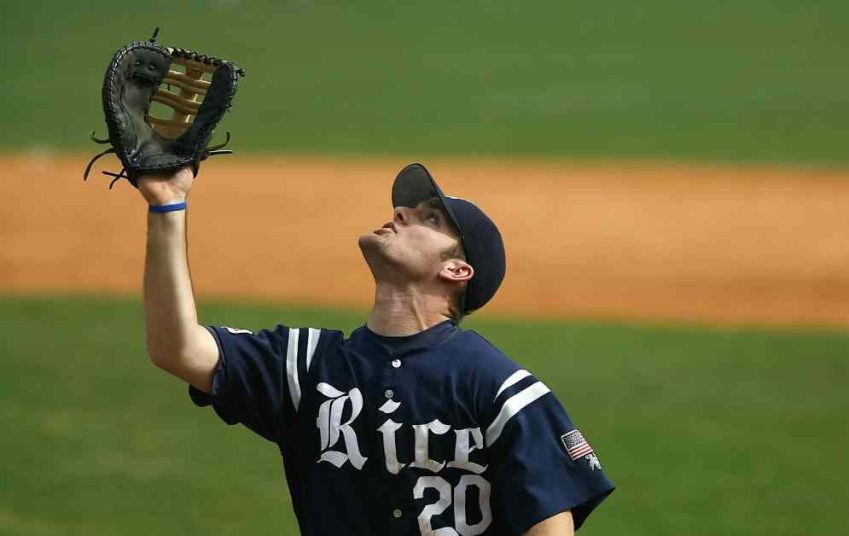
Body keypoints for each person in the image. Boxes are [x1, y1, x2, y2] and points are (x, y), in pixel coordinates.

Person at [138, 162, 614, 535]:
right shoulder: (308, 367)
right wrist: (167, 204)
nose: (400, 213)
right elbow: (175, 348)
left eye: (430, 218)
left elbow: (551, 524)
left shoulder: (495, 387)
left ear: (456, 271)